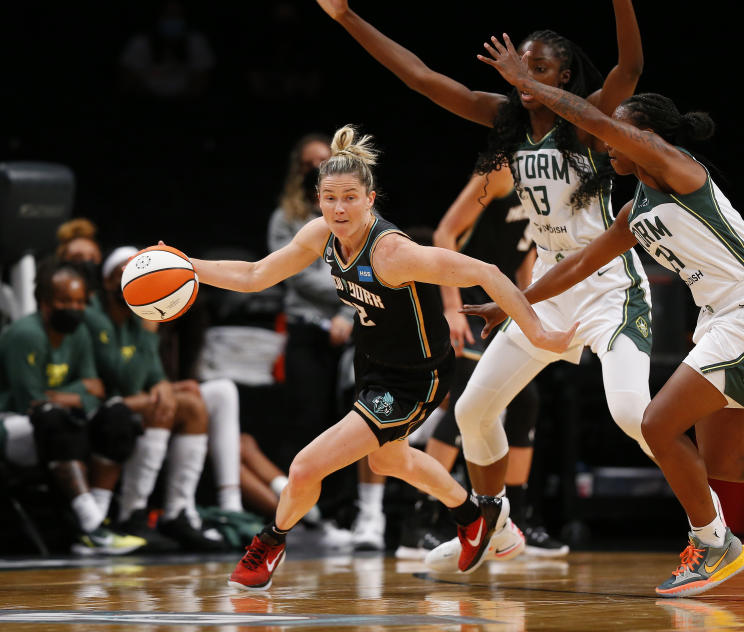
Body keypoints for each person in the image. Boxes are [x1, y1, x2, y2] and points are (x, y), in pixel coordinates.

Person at [472, 33, 744, 597]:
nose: (607, 138)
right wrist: (511, 304)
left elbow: (596, 122)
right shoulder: (633, 208)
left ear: (649, 136)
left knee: (657, 422)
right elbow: (575, 266)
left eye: (619, 128)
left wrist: (527, 83)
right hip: (726, 317)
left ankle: (715, 544)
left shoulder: (677, 167)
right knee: (725, 458)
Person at [310, 0, 674, 570]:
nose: (525, 78)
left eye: (540, 69)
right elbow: (421, 78)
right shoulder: (505, 127)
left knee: (633, 416)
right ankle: (497, 525)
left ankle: (716, 528)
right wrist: (346, 19)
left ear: (563, 76)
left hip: (610, 286)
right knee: (476, 409)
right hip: (551, 290)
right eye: (520, 68)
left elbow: (631, 72)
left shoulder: (587, 122)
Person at [189, 124, 575, 590]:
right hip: (373, 365)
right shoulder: (320, 234)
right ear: (318, 199)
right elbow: (254, 275)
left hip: (416, 377)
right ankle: (474, 518)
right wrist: (188, 267)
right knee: (388, 461)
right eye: (329, 197)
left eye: (350, 197)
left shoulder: (393, 252)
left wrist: (537, 332)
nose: (339, 207)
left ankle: (269, 543)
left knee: (305, 467)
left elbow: (488, 272)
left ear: (370, 198)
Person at [397, 166, 567, 559]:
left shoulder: (555, 187)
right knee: (464, 404)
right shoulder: (502, 173)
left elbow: (526, 260)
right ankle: (419, 522)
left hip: (503, 302)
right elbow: (444, 233)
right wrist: (452, 305)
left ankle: (518, 519)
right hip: (467, 300)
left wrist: (534, 313)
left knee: (526, 402)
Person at [268, 132, 376, 550]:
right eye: (310, 163)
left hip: (352, 328)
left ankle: (349, 512)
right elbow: (284, 272)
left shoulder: (365, 222)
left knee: (353, 426)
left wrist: (346, 314)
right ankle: (306, 517)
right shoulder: (289, 217)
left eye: (324, 159)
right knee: (309, 420)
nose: (318, 166)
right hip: (305, 326)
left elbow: (374, 277)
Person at [85, 247, 231, 552]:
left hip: (129, 404)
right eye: (121, 275)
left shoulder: (135, 320)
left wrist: (165, 385)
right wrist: (151, 333)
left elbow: (153, 377)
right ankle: (130, 512)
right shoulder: (95, 319)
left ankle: (179, 510)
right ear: (108, 282)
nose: (129, 282)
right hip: (102, 407)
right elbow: (122, 378)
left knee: (190, 405)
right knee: (161, 404)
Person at [0, 259, 146, 555]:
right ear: (45, 302)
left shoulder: (78, 333)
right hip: (12, 425)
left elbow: (97, 390)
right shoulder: (24, 335)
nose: (75, 308)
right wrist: (78, 393)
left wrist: (64, 395)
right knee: (54, 417)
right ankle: (91, 525)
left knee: (115, 415)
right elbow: (31, 401)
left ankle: (97, 521)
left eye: (80, 301)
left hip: (55, 422)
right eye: (65, 301)